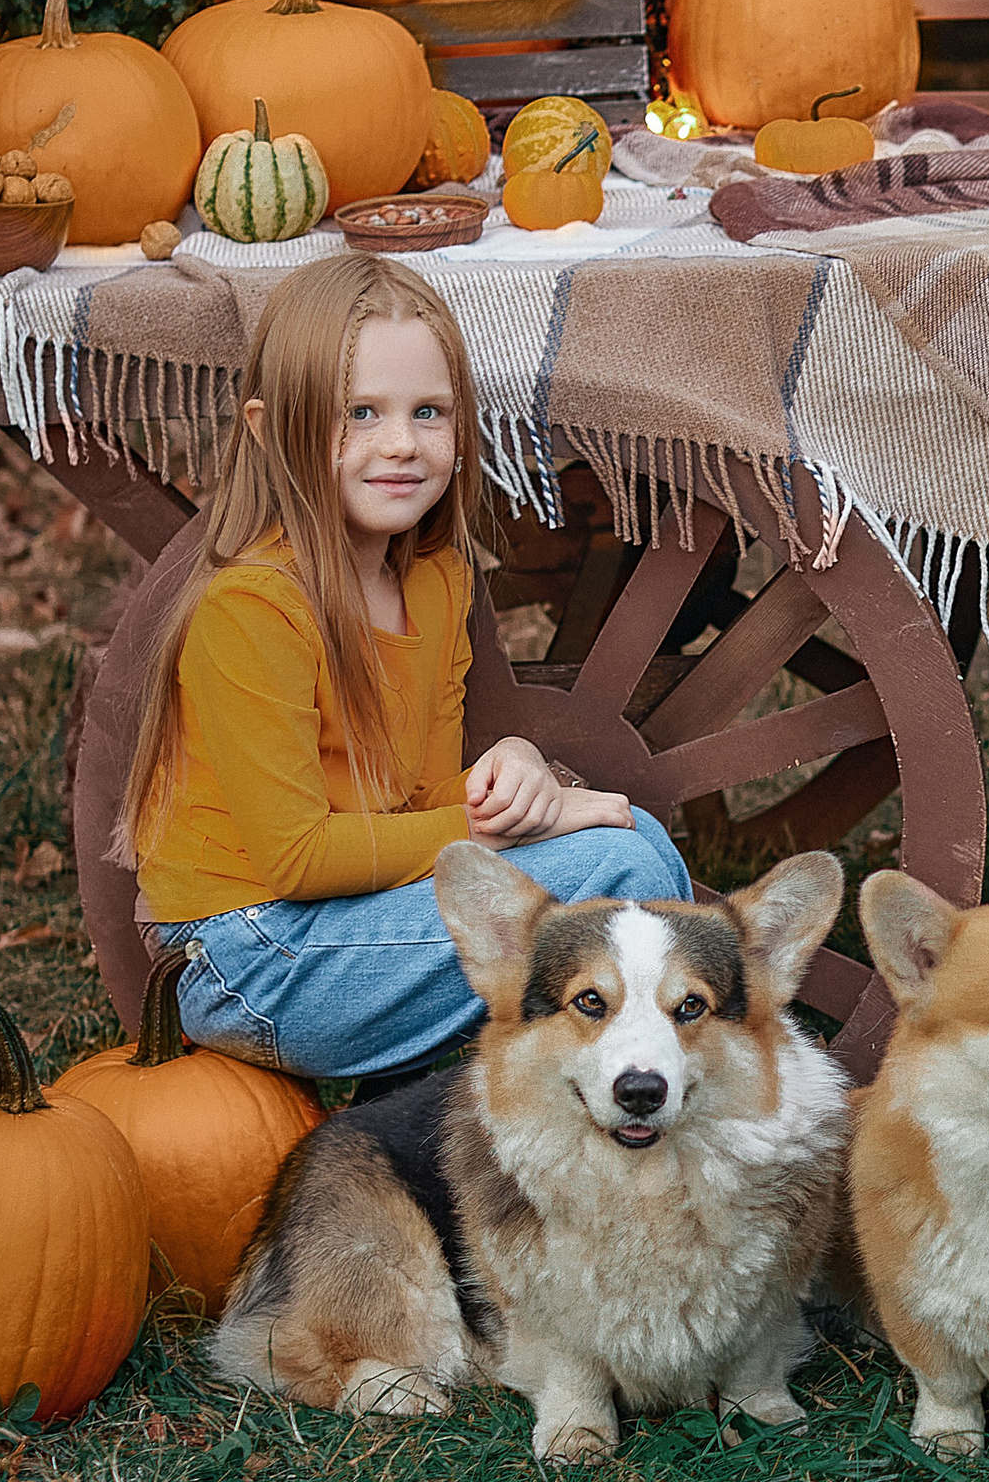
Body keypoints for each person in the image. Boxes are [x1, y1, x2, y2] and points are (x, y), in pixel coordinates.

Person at [124, 251, 689, 1081]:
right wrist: (508, 828)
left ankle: (652, 1063)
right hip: (249, 956)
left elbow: (421, 799)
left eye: (429, 412)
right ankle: (697, 1054)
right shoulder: (253, 611)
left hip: (345, 918)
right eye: (359, 412)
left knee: (626, 838)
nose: (401, 444)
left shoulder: (432, 581)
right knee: (618, 862)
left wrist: (519, 777)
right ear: (267, 426)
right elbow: (298, 861)